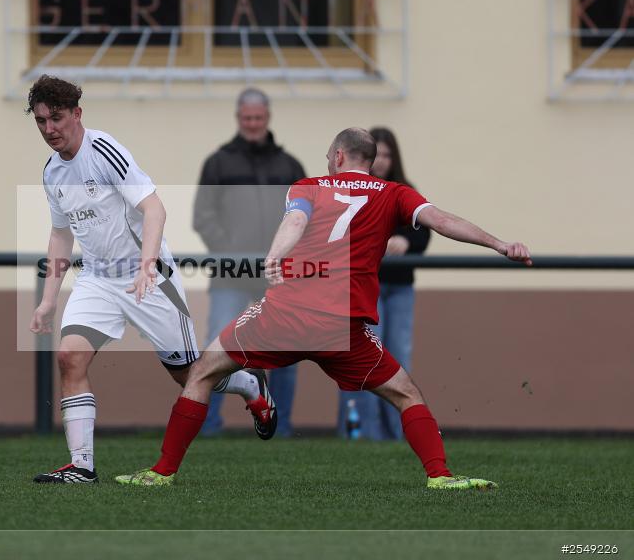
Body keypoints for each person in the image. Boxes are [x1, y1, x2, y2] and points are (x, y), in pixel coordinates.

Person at [116, 127, 532, 489]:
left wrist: (275, 255)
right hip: (342, 328)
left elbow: (295, 222)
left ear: (339, 156)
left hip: (285, 315)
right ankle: (440, 475)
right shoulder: (396, 193)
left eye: (329, 156)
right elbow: (442, 220)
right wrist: (499, 244)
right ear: (371, 161)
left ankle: (161, 472)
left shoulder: (310, 186)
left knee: (202, 372)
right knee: (406, 393)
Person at [26, 75, 276, 484]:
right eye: (41, 121)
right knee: (69, 357)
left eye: (57, 118)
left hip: (149, 277)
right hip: (98, 280)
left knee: (189, 375)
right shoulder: (53, 172)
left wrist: (146, 266)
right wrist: (48, 300)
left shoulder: (103, 151)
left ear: (77, 114)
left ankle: (250, 384)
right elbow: (60, 235)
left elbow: (154, 208)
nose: (49, 129)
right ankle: (82, 466)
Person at [193, 87, 306, 437]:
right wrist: (231, 251)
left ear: (267, 118)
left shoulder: (289, 166)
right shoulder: (218, 163)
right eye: (247, 118)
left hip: (278, 277)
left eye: (258, 118)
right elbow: (203, 216)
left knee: (286, 352)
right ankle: (208, 426)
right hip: (230, 276)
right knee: (218, 350)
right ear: (238, 119)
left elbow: (305, 217)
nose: (253, 124)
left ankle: (280, 427)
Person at [337, 127, 429, 440]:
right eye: (377, 154)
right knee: (364, 359)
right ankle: (364, 433)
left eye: (388, 154)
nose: (382, 161)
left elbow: (425, 230)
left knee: (399, 356)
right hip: (364, 289)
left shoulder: (404, 190)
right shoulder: (352, 190)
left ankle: (398, 433)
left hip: (399, 287)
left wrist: (406, 241)